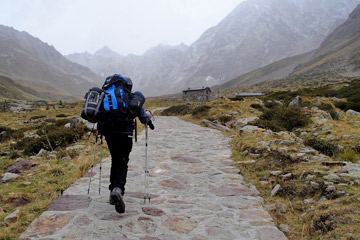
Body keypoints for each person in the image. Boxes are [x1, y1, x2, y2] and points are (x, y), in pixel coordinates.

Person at [97, 81, 154, 214]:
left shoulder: (106, 96)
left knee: (115, 159)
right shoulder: (131, 97)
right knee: (122, 161)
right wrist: (149, 115)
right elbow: (143, 119)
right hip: (125, 134)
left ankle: (112, 191)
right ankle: (118, 189)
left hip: (109, 134)